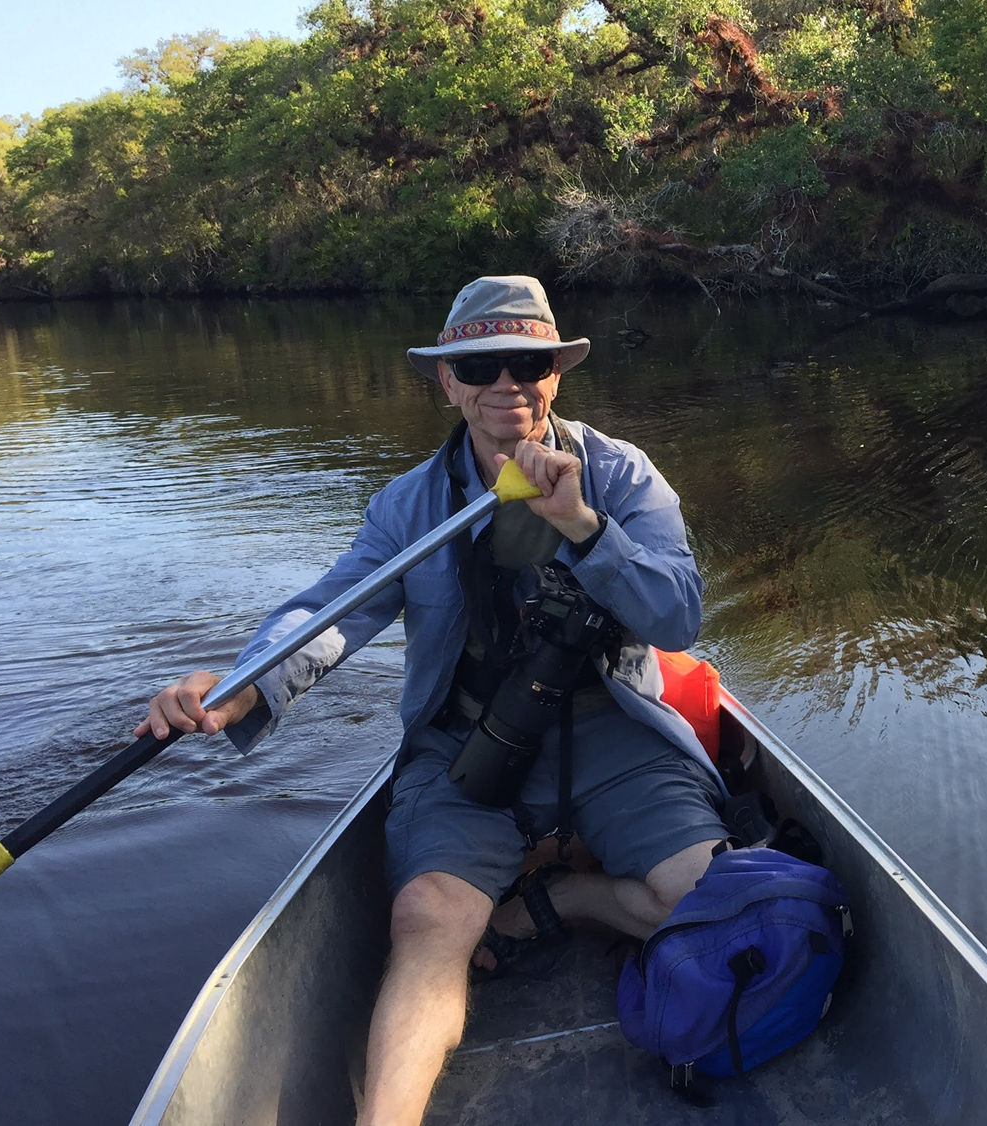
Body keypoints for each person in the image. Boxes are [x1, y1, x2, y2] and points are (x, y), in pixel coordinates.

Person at [135, 276, 727, 1126]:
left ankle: (553, 904)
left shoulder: (623, 474)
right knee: (427, 917)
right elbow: (332, 613)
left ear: (554, 374)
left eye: (526, 361)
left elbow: (679, 615)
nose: (504, 384)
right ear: (446, 382)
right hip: (465, 742)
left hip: (608, 732)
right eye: (479, 365)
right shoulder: (408, 506)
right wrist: (234, 687)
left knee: (704, 896)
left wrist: (584, 527)